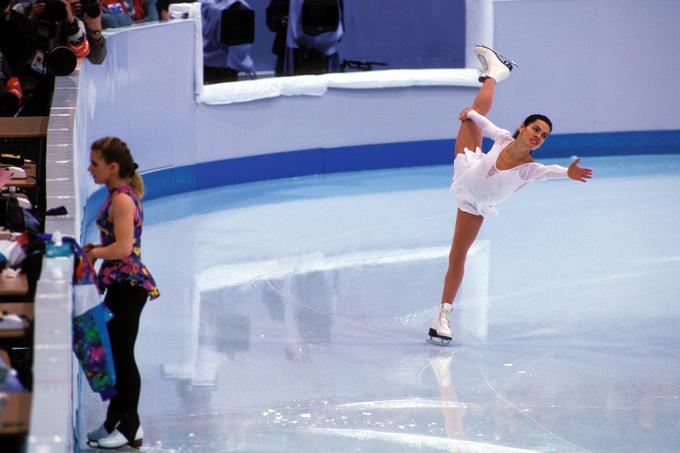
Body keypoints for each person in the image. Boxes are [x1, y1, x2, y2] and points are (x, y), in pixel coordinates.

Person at [428, 45, 593, 344]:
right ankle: (494, 73)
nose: (538, 136)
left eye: (543, 135)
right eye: (535, 129)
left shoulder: (529, 170)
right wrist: (470, 114)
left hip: (473, 203)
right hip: (468, 170)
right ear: (523, 127)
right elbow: (483, 122)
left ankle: (443, 314)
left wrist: (567, 173)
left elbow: (551, 170)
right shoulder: (504, 138)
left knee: (457, 256)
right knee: (471, 118)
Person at [84, 137, 160, 449]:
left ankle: (131, 426)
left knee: (123, 355)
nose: (90, 169)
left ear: (112, 167)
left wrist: (94, 253)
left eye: (95, 163)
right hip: (120, 284)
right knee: (114, 353)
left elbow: (123, 248)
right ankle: (115, 419)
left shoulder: (122, 200)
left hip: (129, 286)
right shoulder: (117, 195)